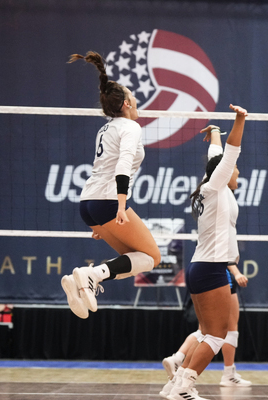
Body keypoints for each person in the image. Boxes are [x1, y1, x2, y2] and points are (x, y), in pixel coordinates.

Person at [61, 51, 161, 319]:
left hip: (88, 204)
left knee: (132, 259)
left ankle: (81, 281)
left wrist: (102, 220)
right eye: (134, 98)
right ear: (127, 103)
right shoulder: (130, 128)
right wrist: (120, 205)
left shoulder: (105, 129)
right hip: (107, 202)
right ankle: (91, 274)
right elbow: (122, 165)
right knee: (153, 258)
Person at [160, 105, 248, 400]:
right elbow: (230, 153)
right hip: (210, 268)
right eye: (234, 169)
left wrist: (214, 133)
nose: (237, 172)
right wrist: (240, 119)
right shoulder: (216, 187)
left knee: (207, 332)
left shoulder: (211, 187)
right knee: (216, 335)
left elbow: (217, 155)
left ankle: (176, 385)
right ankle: (185, 385)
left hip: (203, 266)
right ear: (223, 173)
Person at [220, 263, 252, 387]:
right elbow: (226, 255)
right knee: (229, 330)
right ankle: (228, 374)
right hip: (220, 279)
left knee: (204, 331)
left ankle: (179, 359)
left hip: (200, 275)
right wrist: (237, 273)